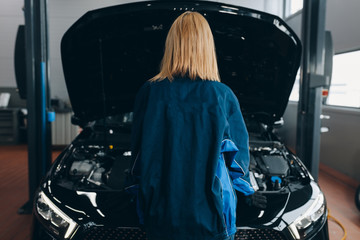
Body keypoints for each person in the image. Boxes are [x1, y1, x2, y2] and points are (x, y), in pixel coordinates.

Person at [130, 11, 264, 240]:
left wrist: (133, 193)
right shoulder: (222, 96)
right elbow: (237, 161)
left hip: (161, 217)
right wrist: (248, 191)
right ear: (207, 47)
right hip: (212, 219)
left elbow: (138, 159)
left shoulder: (149, 92)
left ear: (171, 45)